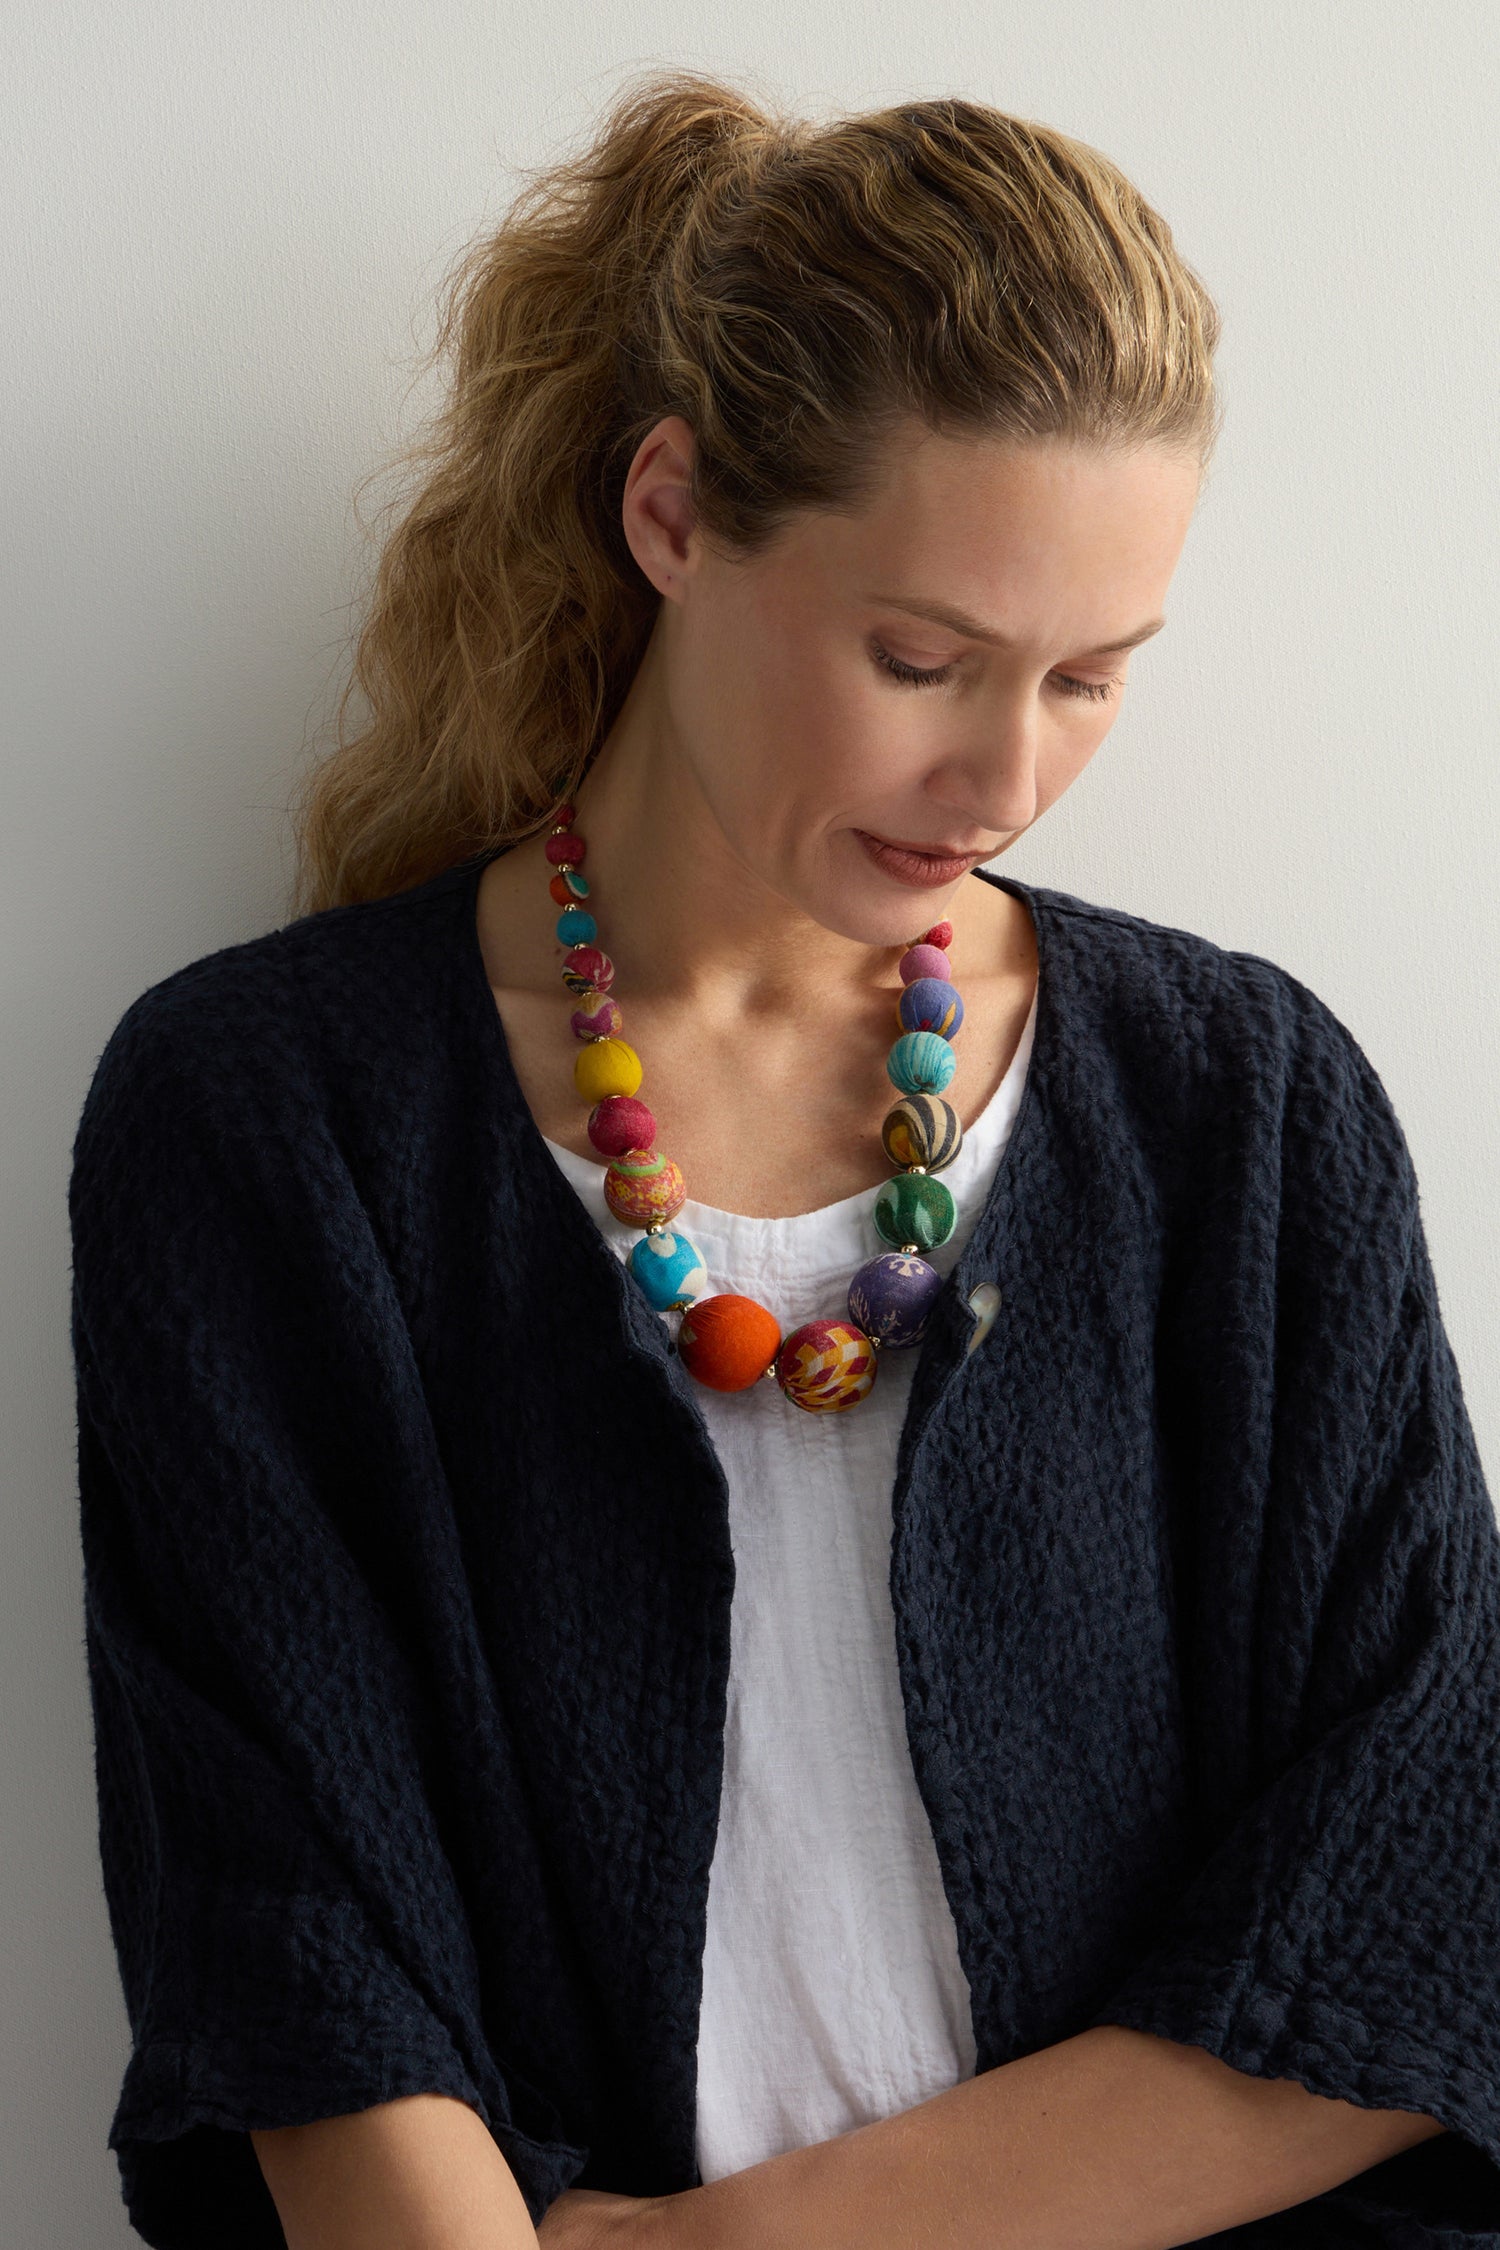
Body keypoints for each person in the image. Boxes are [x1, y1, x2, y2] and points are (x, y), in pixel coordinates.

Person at [68, 69, 1500, 2250]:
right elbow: (295, 1935)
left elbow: (1429, 1877)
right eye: (919, 658)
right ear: (673, 512)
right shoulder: (266, 1120)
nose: (1005, 773)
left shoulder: (1244, 1107)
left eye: (1093, 678)